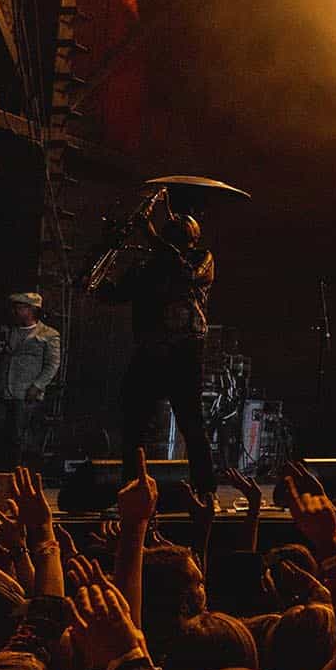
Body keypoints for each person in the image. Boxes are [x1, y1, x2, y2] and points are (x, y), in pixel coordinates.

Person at [99, 192, 217, 498]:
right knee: (134, 424)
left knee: (191, 424)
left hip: (183, 351)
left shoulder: (199, 259)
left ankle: (205, 491)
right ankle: (131, 488)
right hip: (150, 351)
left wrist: (149, 233)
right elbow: (114, 295)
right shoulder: (147, 266)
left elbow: (186, 273)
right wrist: (101, 266)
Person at [0, 293, 60, 472]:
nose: (15, 311)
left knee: (18, 437)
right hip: (1, 390)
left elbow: (52, 364)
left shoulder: (48, 334)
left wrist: (37, 386)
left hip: (25, 392)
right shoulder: (9, 330)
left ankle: (15, 476)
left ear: (32, 310)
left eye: (20, 307)